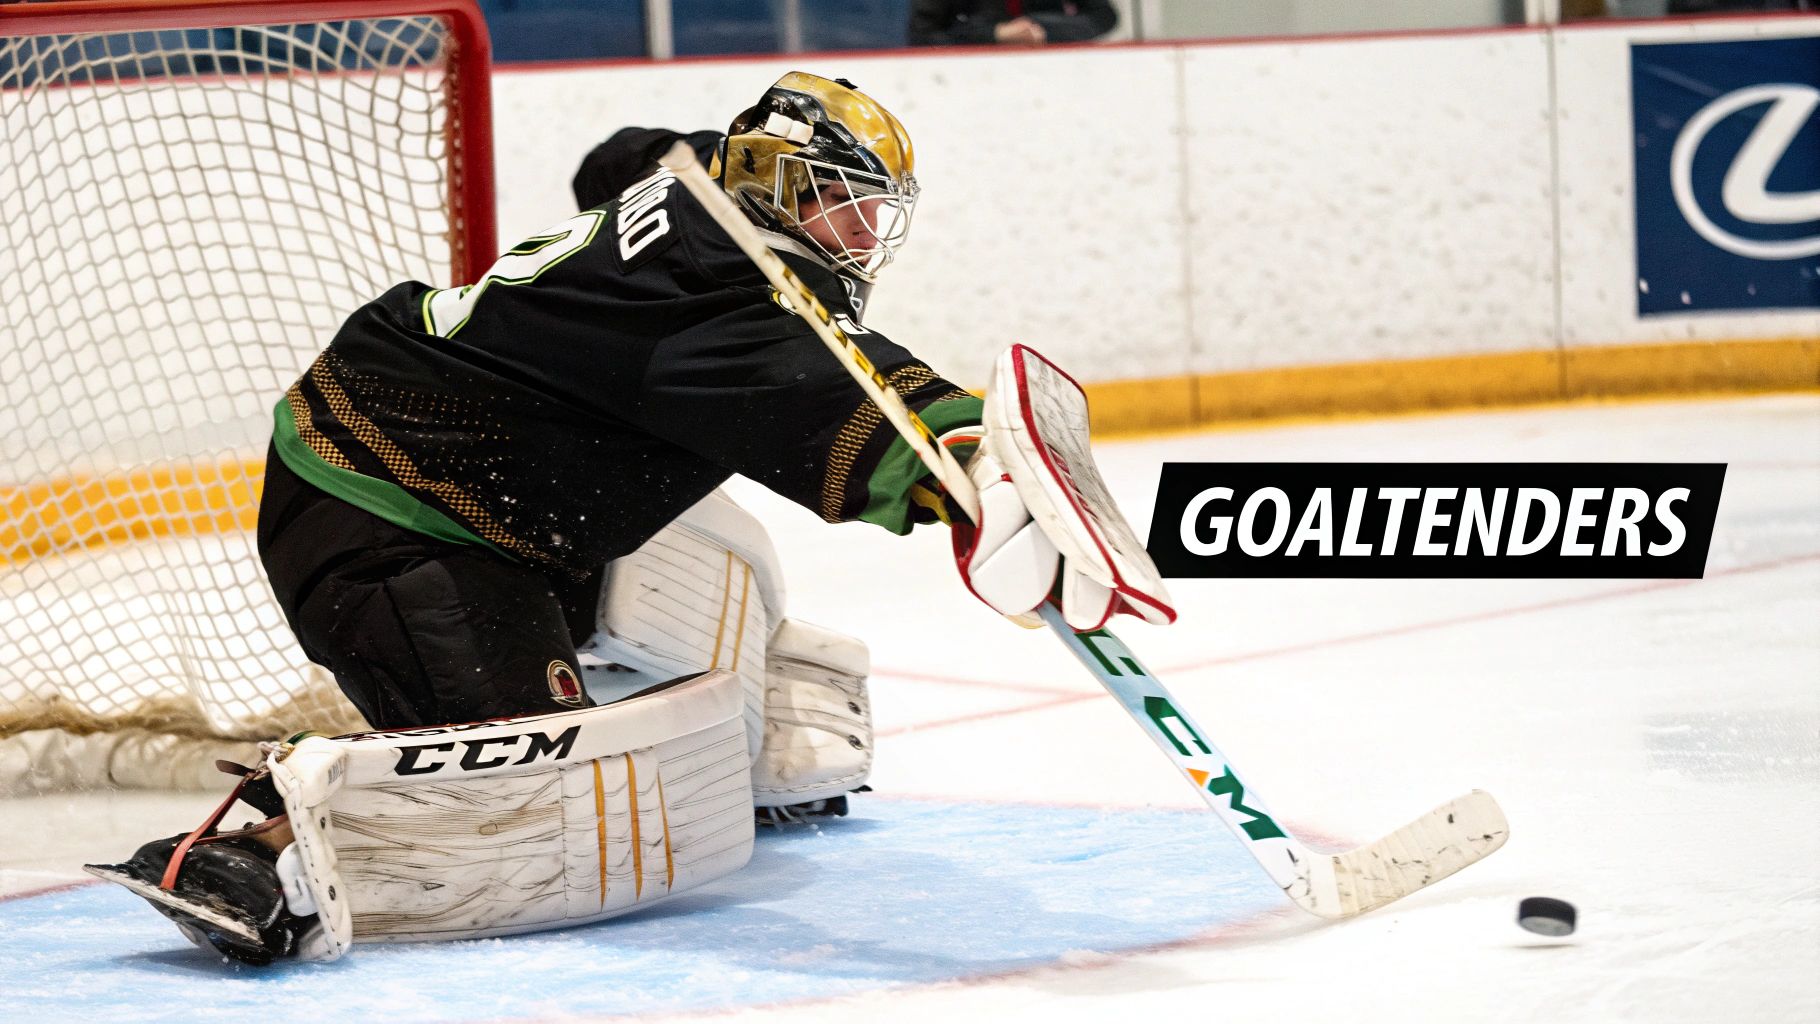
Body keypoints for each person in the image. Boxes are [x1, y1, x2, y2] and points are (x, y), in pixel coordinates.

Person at [87, 72, 1171, 965]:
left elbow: (620, 156)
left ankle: (761, 732)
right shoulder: (712, 317)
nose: (860, 231)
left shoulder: (697, 180)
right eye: (840, 199)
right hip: (389, 513)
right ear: (778, 185)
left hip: (507, 489)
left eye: (873, 207)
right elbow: (839, 398)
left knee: (723, 551)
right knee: (531, 789)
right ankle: (251, 845)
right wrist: (961, 470)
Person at [909, 0, 1117, 47]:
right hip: (972, 83)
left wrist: (1043, 28)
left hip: (1053, 77)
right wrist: (994, 34)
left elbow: (1104, 16)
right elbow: (921, 36)